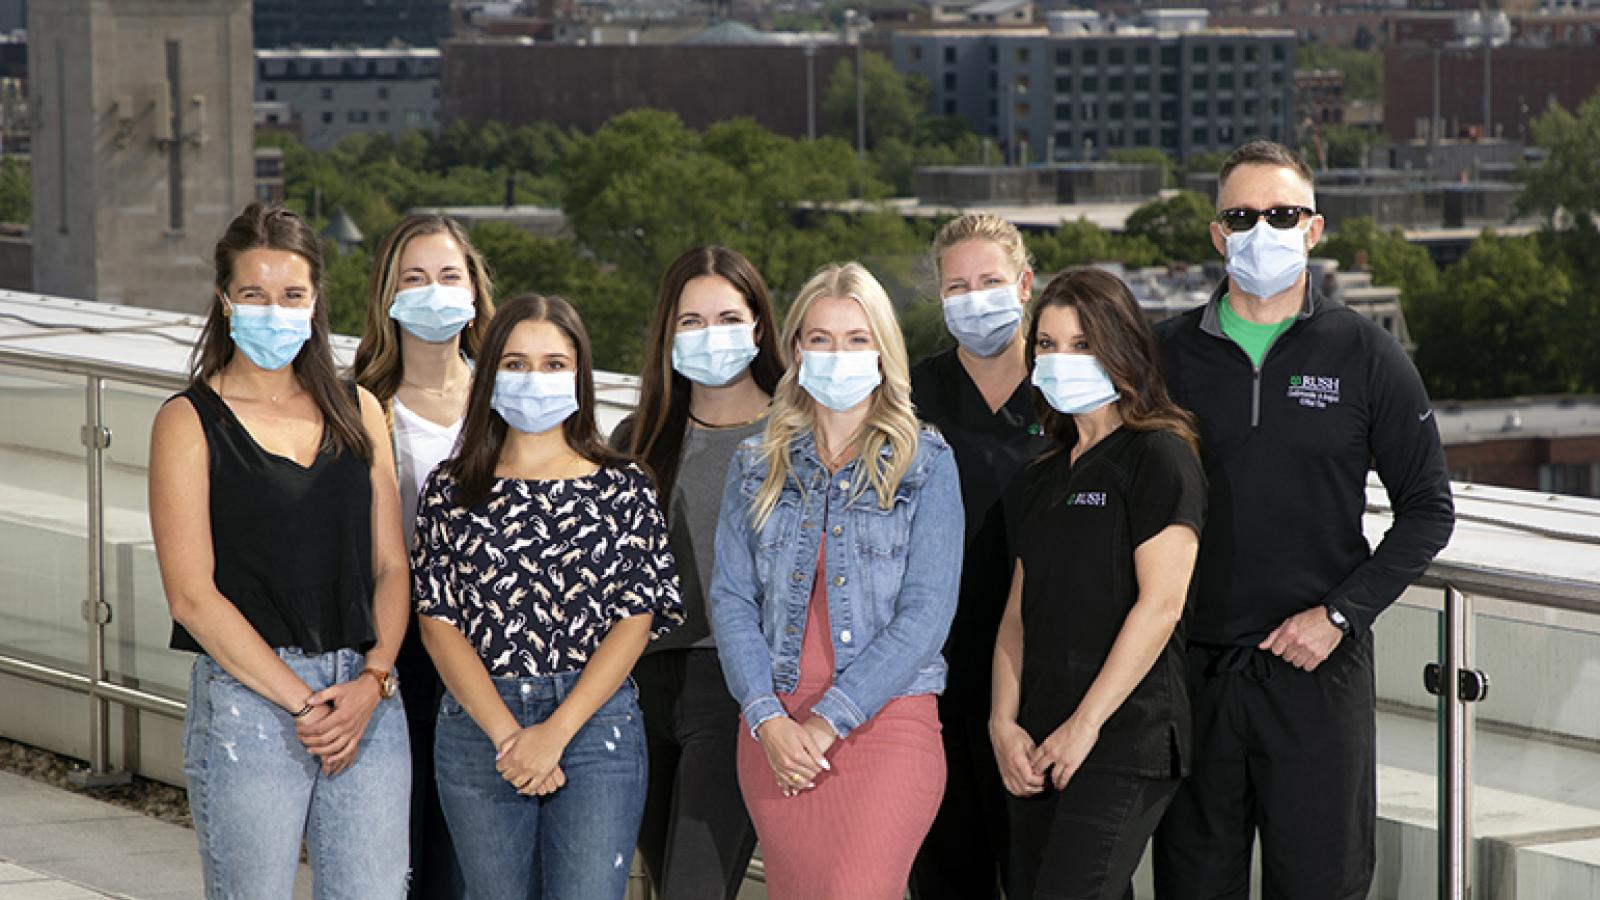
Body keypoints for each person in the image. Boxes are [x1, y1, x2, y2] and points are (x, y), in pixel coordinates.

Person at [1151, 140, 1455, 900]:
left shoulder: (1366, 353)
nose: (1262, 230)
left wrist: (1341, 614)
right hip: (1192, 677)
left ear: (1313, 229)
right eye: (1243, 216)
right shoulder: (1163, 358)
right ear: (1217, 234)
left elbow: (1428, 511)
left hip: (1318, 678)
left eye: (1281, 214)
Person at [149, 203, 411, 899]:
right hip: (251, 700)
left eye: (292, 294)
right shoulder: (188, 421)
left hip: (366, 694)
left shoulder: (362, 411)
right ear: (225, 301)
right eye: (255, 294)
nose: (275, 310)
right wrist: (304, 704)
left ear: (316, 301)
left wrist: (373, 680)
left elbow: (390, 565)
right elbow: (192, 596)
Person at [707, 261, 965, 900]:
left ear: (882, 349)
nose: (837, 353)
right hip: (773, 730)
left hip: (885, 727)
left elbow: (927, 614)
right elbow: (732, 599)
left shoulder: (926, 463)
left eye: (856, 338)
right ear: (794, 350)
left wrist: (825, 724)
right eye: (819, 338)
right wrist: (768, 719)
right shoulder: (755, 463)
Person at [412, 294, 684, 900]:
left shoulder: (626, 486)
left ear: (581, 376)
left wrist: (554, 734)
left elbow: (636, 621)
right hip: (479, 726)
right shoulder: (449, 491)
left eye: (555, 363)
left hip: (594, 727)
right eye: (516, 363)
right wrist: (511, 737)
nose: (536, 379)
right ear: (489, 376)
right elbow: (437, 621)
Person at [991, 268, 1205, 900]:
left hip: (1121, 735)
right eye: (1048, 346)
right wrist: (1002, 723)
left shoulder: (1159, 455)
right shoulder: (1041, 476)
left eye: (1082, 345)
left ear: (1123, 349)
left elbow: (1161, 606)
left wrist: (1084, 726)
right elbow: (1014, 619)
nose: (1061, 360)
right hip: (1036, 736)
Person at [610, 246, 783, 899]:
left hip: (735, 690)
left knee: (694, 889)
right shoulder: (637, 438)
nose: (710, 337)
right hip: (637, 691)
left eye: (727, 317)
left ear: (759, 326)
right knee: (661, 880)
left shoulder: (794, 435)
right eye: (691, 321)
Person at [352, 212, 494, 900]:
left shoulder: (507, 401)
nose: (433, 292)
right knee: (402, 854)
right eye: (414, 278)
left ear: (473, 291)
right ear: (387, 294)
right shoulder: (359, 406)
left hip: (491, 654)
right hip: (396, 650)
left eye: (448, 276)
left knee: (474, 860)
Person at [909, 213, 1051, 900]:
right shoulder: (908, 396)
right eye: (956, 286)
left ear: (1025, 284)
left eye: (990, 281)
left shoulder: (1068, 388)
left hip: (1045, 677)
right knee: (947, 876)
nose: (975, 298)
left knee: (1048, 871)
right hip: (935, 679)